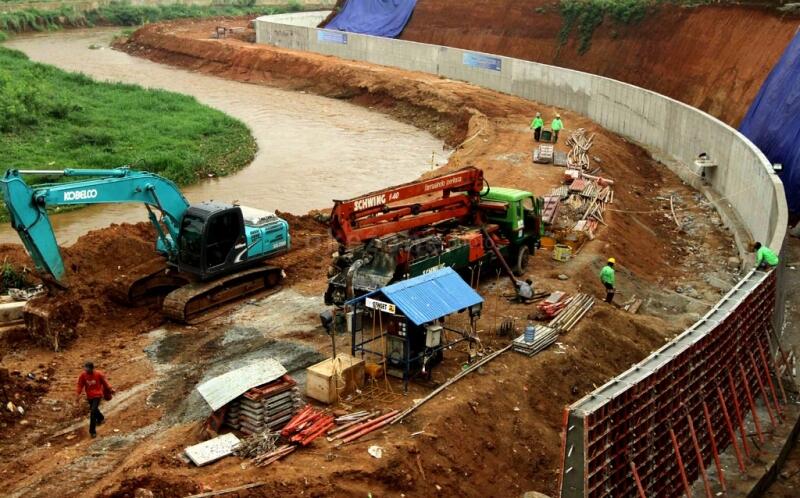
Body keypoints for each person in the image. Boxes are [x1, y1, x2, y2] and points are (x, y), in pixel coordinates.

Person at [75, 361, 113, 438]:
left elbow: (105, 382)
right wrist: (77, 394)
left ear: (92, 368)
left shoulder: (98, 374)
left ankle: (92, 431)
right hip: (89, 396)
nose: (86, 370)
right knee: (94, 409)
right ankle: (100, 418)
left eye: (87, 368)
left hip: (98, 394)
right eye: (85, 368)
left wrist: (110, 389)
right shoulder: (83, 375)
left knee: (93, 411)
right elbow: (80, 384)